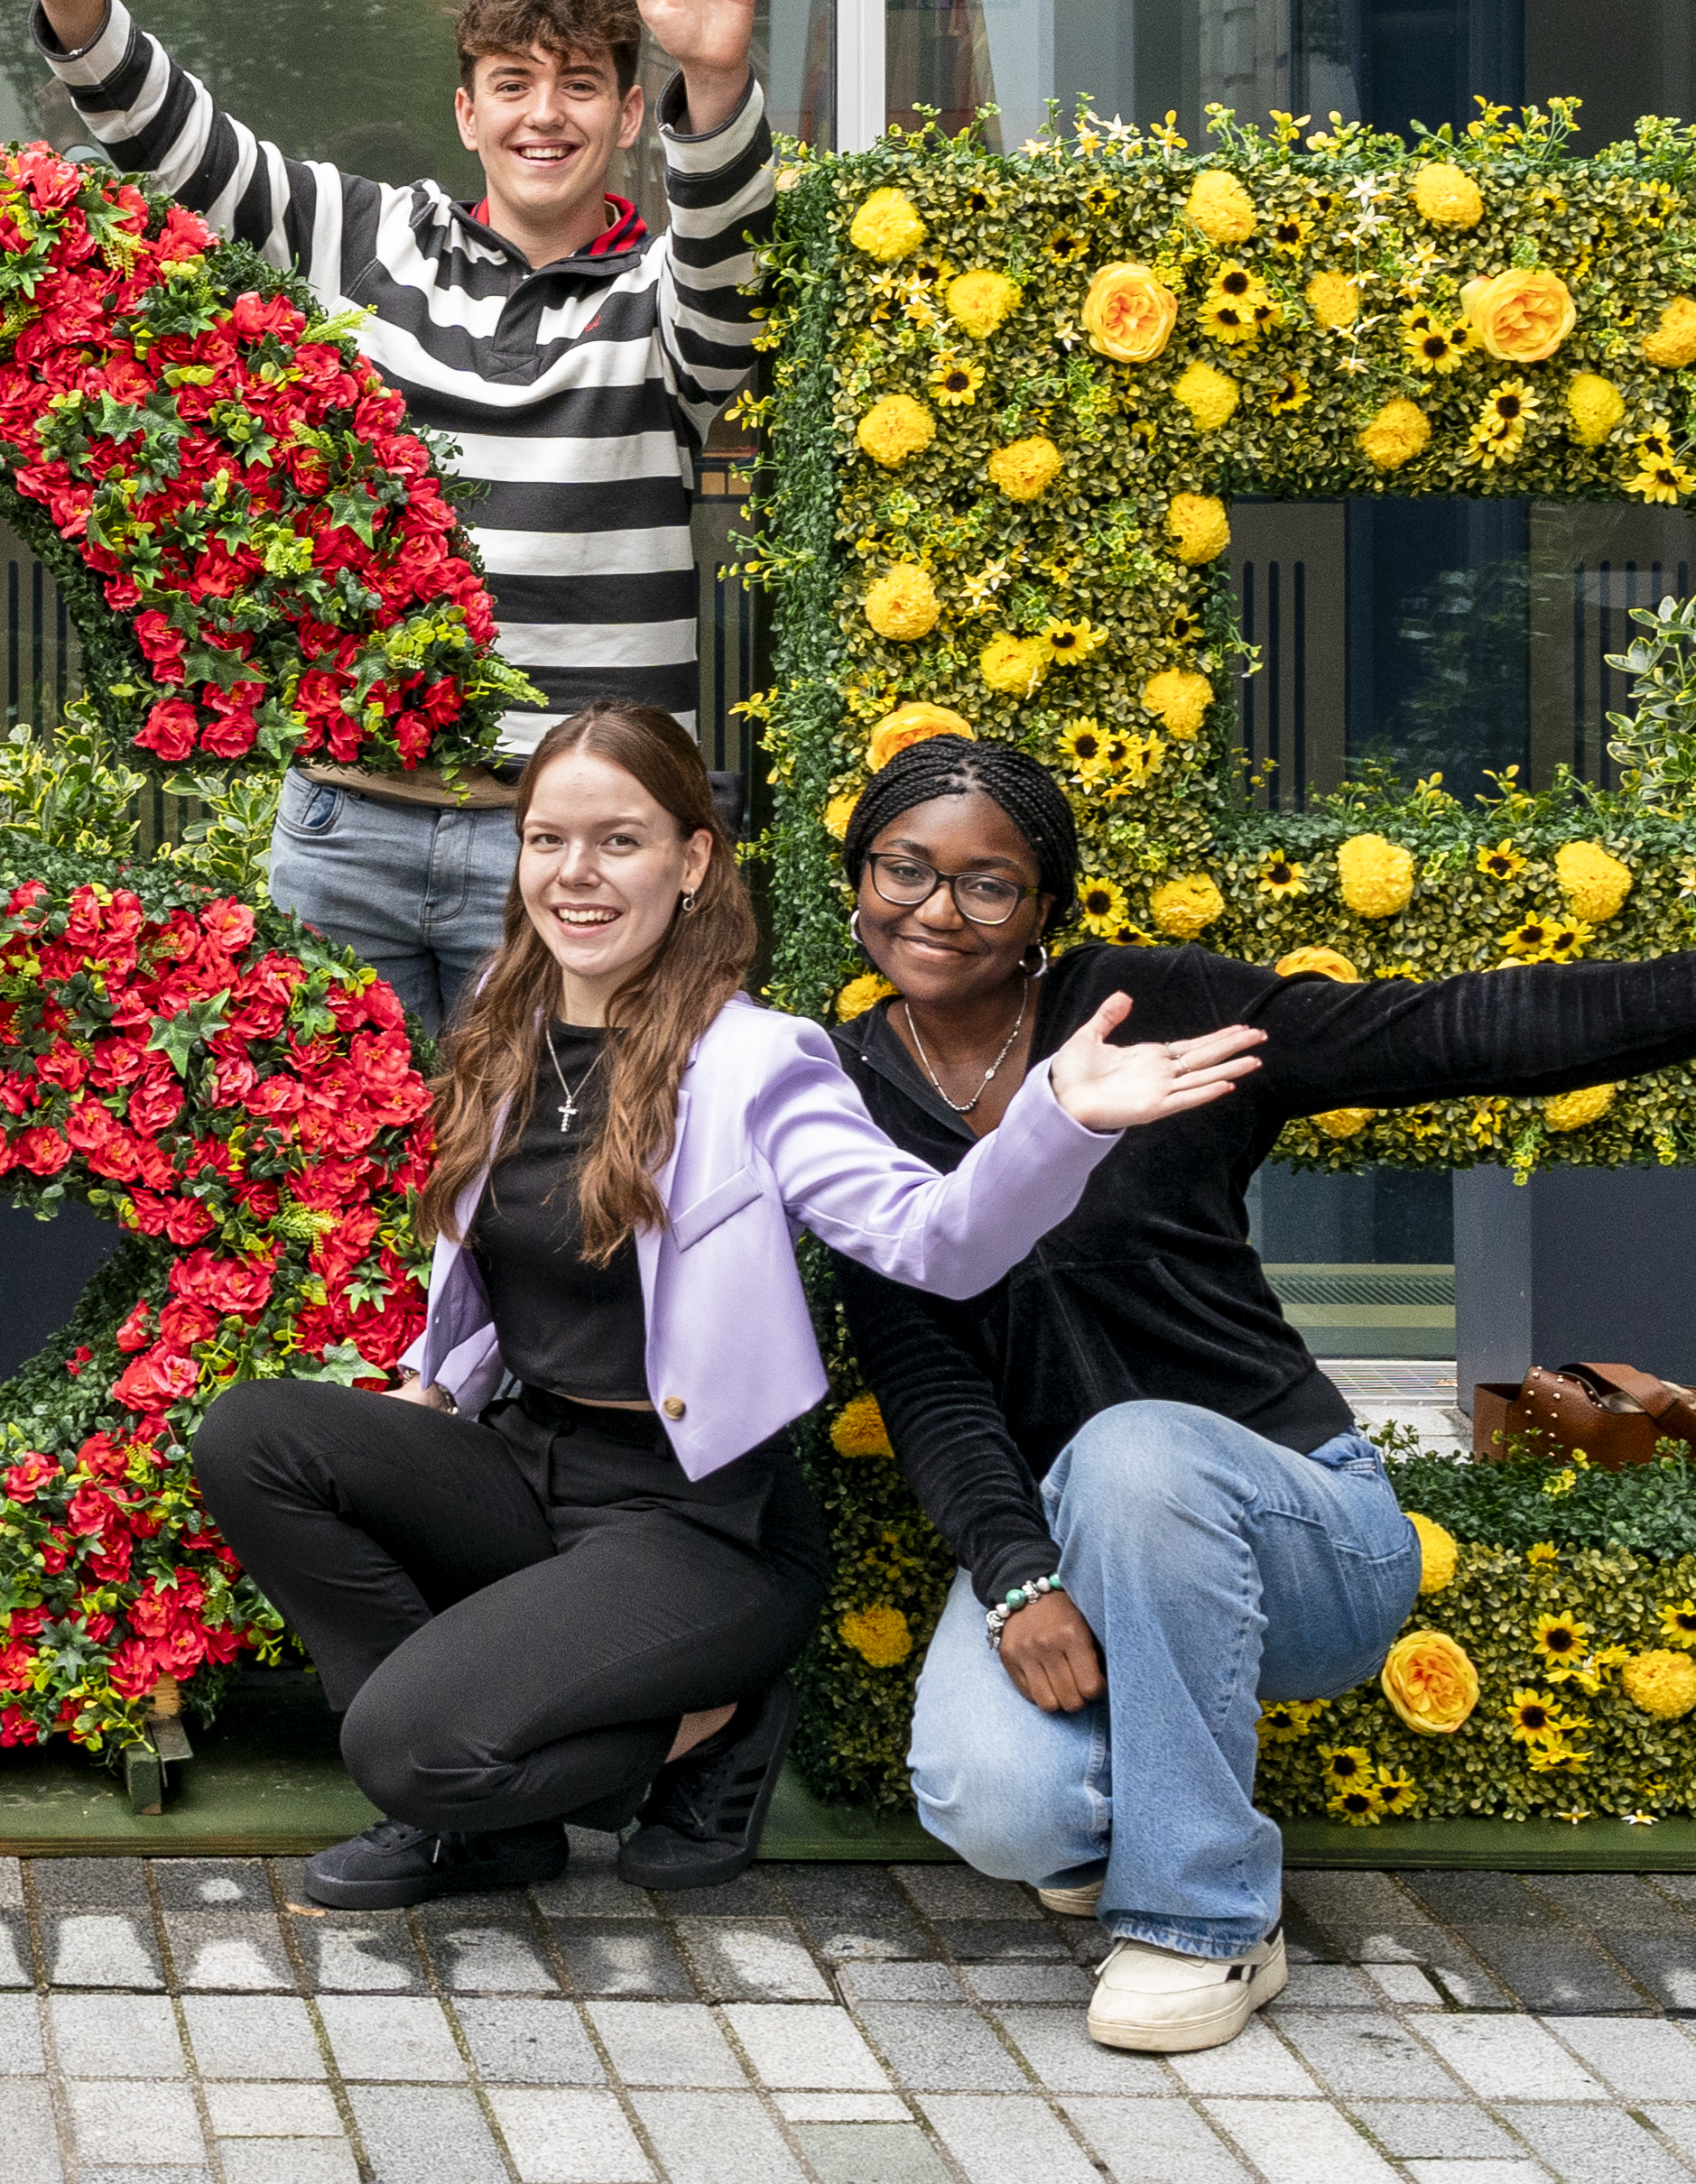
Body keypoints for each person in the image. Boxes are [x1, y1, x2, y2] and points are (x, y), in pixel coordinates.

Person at [818, 730, 1696, 2058]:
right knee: (1000, 1808)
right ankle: (1145, 1808)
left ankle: (1205, 1923)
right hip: (1073, 1532)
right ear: (859, 880)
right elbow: (926, 1375)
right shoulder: (847, 1092)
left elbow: (1468, 1031)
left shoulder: (1159, 1010)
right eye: (905, 870)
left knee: (1138, 1450)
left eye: (988, 883)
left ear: (1047, 907)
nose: (939, 909)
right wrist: (1015, 1576)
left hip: (1300, 1533)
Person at [188, 708, 1268, 1911]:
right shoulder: (506, 1015)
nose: (575, 875)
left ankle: (706, 1726)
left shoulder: (760, 1061)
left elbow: (938, 1244)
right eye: (548, 840)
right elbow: (499, 1269)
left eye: (619, 842)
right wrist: (432, 1386)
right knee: (251, 1439)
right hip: (528, 1461)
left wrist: (1057, 1120)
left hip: (698, 1517)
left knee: (400, 1747)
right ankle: (475, 1818)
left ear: (692, 862)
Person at [0, 0, 773, 1035]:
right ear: (466, 114)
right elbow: (194, 157)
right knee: (332, 1208)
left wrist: (715, 82)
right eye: (512, 84)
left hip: (579, 855)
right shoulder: (373, 240)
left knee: (571, 1203)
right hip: (348, 827)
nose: (543, 116)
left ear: (629, 119)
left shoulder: (666, 301)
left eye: (580, 86)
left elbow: (726, 245)